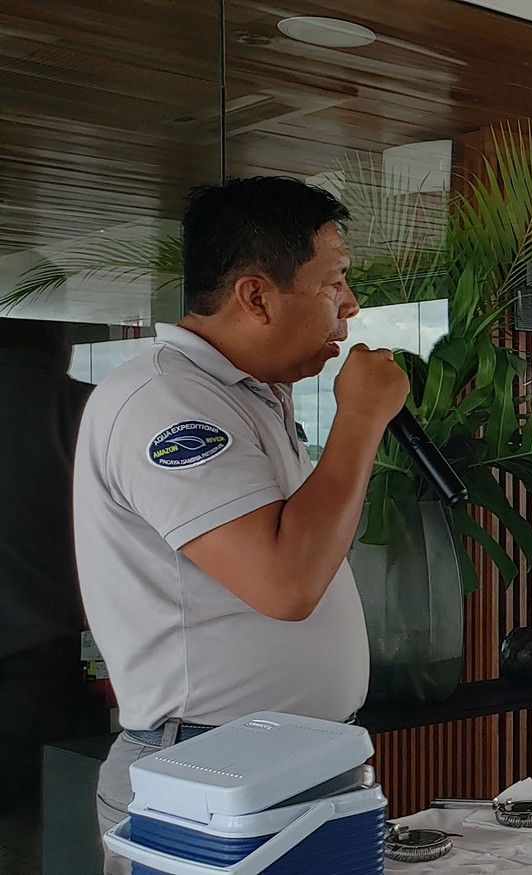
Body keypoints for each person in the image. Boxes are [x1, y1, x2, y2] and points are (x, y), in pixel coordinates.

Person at [73, 177, 407, 870]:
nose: (350, 304)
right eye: (333, 282)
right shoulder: (165, 398)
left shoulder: (251, 397)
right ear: (255, 295)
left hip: (288, 764)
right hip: (206, 772)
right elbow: (285, 582)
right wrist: (360, 417)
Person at [0, 319, 107, 864]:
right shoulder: (88, 409)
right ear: (59, 340)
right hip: (51, 658)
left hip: (42, 651)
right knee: (51, 827)